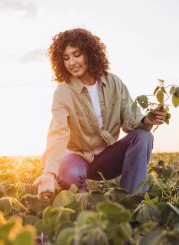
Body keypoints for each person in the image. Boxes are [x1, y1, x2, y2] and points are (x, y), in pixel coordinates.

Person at [33, 28, 166, 195]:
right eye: (66, 58)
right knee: (69, 173)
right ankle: (87, 210)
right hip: (77, 158)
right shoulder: (63, 92)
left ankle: (133, 200)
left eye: (77, 54)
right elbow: (58, 133)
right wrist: (49, 173)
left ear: (90, 53)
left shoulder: (114, 82)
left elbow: (131, 119)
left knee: (143, 136)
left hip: (108, 157)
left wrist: (147, 120)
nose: (71, 62)